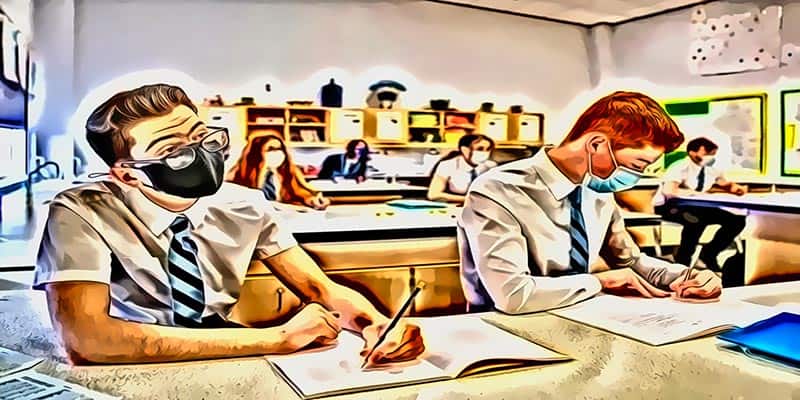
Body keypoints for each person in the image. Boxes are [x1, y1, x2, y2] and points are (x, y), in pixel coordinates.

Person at [34, 84, 424, 365]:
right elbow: (86, 340)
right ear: (128, 175)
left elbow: (320, 289)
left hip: (223, 346)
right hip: (125, 359)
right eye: (172, 151)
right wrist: (276, 339)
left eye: (202, 137)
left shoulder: (245, 204)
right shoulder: (80, 210)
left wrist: (377, 326)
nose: (201, 155)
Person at [459, 91, 723, 314]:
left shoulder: (596, 189)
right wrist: (601, 281)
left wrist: (685, 277)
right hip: (502, 330)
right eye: (638, 164)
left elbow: (630, 263)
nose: (637, 175)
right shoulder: (497, 189)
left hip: (580, 316)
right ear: (596, 144)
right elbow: (513, 296)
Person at [653, 136, 747, 271]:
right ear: (692, 152)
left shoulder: (711, 169)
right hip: (670, 206)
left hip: (698, 206)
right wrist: (693, 194)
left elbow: (726, 184)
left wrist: (737, 189)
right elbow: (669, 191)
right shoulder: (680, 167)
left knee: (736, 220)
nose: (710, 156)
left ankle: (709, 253)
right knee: (695, 221)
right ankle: (682, 262)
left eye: (712, 153)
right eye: (706, 152)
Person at [227, 133, 330, 210]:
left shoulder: (289, 172)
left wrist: (311, 199)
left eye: (280, 149)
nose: (277, 153)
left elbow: (298, 191)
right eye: (270, 149)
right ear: (257, 154)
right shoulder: (238, 175)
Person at [427, 134, 497, 204]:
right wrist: (469, 199)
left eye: (488, 149)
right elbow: (433, 194)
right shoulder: (447, 165)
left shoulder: (491, 167)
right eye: (480, 149)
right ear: (464, 150)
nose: (485, 153)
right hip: (454, 207)